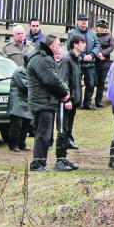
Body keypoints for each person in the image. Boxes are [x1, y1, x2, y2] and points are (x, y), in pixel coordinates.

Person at [27, 36, 71, 172]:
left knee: (44, 134)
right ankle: (38, 164)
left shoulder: (42, 58)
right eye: (58, 44)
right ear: (52, 46)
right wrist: (64, 92)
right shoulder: (43, 59)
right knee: (43, 134)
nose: (60, 46)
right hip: (43, 102)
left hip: (45, 101)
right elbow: (51, 80)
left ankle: (40, 162)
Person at [55, 34, 84, 170]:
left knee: (68, 130)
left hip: (73, 102)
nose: (85, 45)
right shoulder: (66, 60)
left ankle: (64, 158)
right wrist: (67, 98)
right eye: (82, 42)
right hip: (66, 102)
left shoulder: (76, 60)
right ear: (75, 45)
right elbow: (64, 80)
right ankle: (59, 160)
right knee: (62, 130)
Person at [68, 14, 101, 110]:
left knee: (91, 84)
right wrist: (82, 57)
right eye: (82, 20)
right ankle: (77, 102)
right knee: (76, 84)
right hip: (78, 62)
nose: (84, 22)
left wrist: (91, 55)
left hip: (90, 63)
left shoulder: (92, 33)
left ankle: (87, 103)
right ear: (77, 21)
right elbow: (70, 47)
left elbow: (97, 45)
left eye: (85, 20)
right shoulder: (72, 34)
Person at [6, 57, 32, 152]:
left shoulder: (30, 71)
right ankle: (13, 144)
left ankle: (22, 143)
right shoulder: (20, 71)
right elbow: (24, 86)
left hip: (26, 100)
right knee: (17, 124)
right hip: (17, 101)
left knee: (26, 123)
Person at [93, 19, 114, 109]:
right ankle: (88, 100)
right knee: (92, 81)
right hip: (94, 61)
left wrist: (103, 53)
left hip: (105, 61)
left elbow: (112, 46)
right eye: (100, 27)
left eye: (103, 28)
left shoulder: (109, 36)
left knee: (101, 82)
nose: (102, 29)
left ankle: (98, 100)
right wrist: (97, 53)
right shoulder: (93, 35)